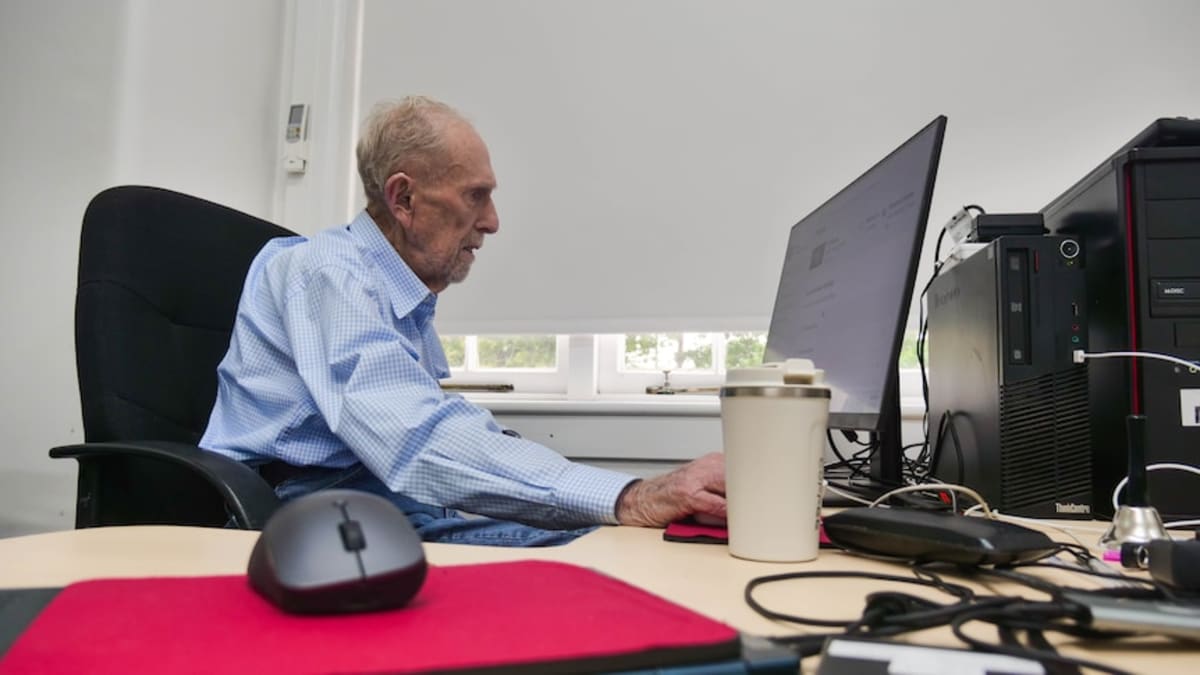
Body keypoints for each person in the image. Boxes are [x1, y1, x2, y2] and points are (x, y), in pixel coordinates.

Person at [200, 96, 726, 546]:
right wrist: (632, 495)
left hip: (376, 503)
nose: (492, 222)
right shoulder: (328, 274)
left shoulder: (391, 291)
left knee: (627, 547)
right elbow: (415, 439)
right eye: (475, 195)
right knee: (609, 560)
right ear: (403, 198)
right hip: (311, 517)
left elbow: (422, 428)